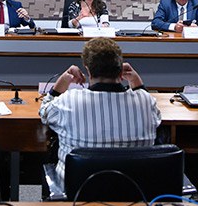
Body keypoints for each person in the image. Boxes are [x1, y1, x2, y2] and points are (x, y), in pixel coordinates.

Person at [39, 37, 161, 189]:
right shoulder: (146, 101)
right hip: (135, 196)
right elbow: (154, 114)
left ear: (88, 70)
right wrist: (136, 82)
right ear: (120, 69)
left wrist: (61, 84)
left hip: (76, 197)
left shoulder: (68, 101)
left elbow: (44, 113)